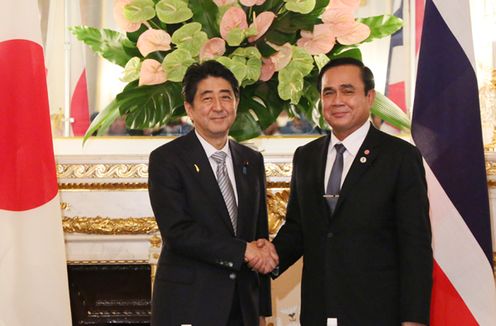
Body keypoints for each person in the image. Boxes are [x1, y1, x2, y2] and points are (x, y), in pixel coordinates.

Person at [267, 57, 433, 325]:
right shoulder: (306, 156)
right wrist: (268, 258)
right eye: (328, 92)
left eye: (348, 90)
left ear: (369, 97)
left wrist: (414, 318)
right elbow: (298, 229)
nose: (337, 100)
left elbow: (415, 246)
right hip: (319, 310)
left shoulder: (399, 156)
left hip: (377, 313)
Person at [148, 60, 277, 326]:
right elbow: (178, 232)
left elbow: (258, 233)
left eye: (225, 97)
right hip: (189, 303)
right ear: (189, 108)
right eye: (207, 98)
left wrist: (262, 310)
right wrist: (243, 251)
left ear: (236, 103)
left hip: (243, 307)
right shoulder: (168, 159)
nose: (218, 107)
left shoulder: (251, 160)